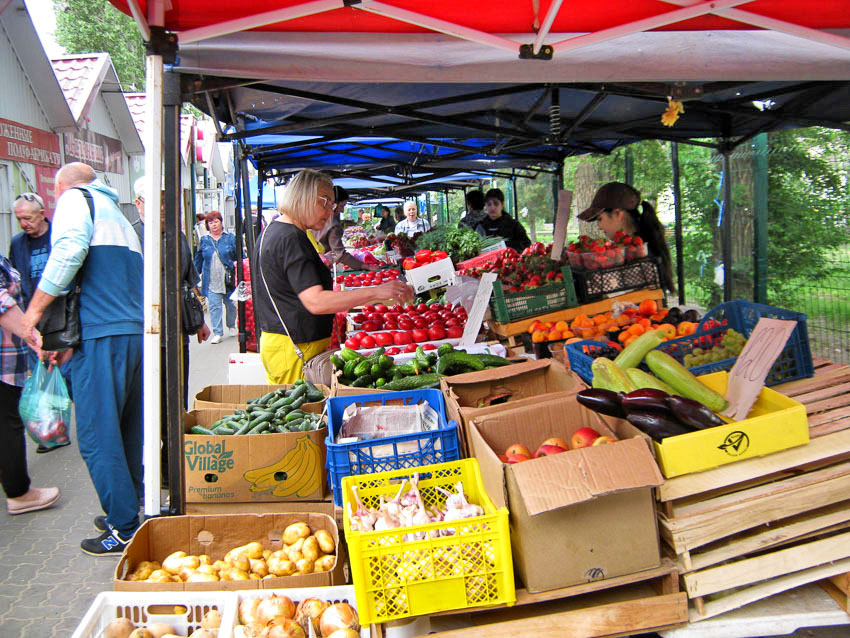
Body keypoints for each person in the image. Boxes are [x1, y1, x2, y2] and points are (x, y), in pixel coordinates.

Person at [20, 162, 143, 555]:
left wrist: (34, 313)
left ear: (61, 187)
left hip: (100, 334)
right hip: (133, 332)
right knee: (127, 430)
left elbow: (70, 252)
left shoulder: (76, 199)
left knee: (95, 434)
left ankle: (123, 527)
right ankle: (130, 509)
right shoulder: (119, 215)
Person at [254, 169, 414, 384]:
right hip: (294, 347)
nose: (330, 211)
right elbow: (316, 301)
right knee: (303, 412)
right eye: (325, 202)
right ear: (304, 198)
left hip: (287, 343)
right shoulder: (290, 238)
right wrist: (377, 291)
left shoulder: (276, 230)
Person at [132, 178, 210, 486]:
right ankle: (149, 471)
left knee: (174, 401)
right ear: (139, 204)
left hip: (176, 334)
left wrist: (200, 321)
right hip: (145, 336)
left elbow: (189, 283)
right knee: (149, 404)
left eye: (168, 201)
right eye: (157, 201)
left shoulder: (177, 236)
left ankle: (169, 468)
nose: (165, 207)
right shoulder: (132, 236)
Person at [10, 192, 73, 453]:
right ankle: (53, 430)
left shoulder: (58, 234)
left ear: (41, 213)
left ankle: (86, 422)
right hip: (34, 318)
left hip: (62, 315)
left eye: (28, 218)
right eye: (19, 219)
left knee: (67, 373)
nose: (24, 224)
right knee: (45, 375)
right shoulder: (18, 243)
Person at [0, 253, 60, 515]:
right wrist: (35, 338)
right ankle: (19, 493)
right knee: (7, 426)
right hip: (4, 364)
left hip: (10, 359)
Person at [577, 181, 675, 292]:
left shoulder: (639, 253)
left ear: (618, 214)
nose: (599, 226)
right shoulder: (635, 246)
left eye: (600, 219)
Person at [193, 211, 237, 344]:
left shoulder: (230, 238)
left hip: (228, 280)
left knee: (231, 305)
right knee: (214, 307)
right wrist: (194, 277)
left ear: (221, 222)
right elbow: (199, 259)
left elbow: (238, 256)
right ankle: (218, 332)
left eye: (216, 222)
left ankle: (232, 325)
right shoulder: (205, 240)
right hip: (211, 280)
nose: (214, 225)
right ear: (207, 225)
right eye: (211, 223)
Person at [314, 185, 380, 272]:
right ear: (333, 204)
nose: (342, 210)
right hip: (323, 266)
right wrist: (365, 266)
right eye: (341, 206)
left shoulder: (317, 219)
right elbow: (339, 253)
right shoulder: (333, 224)